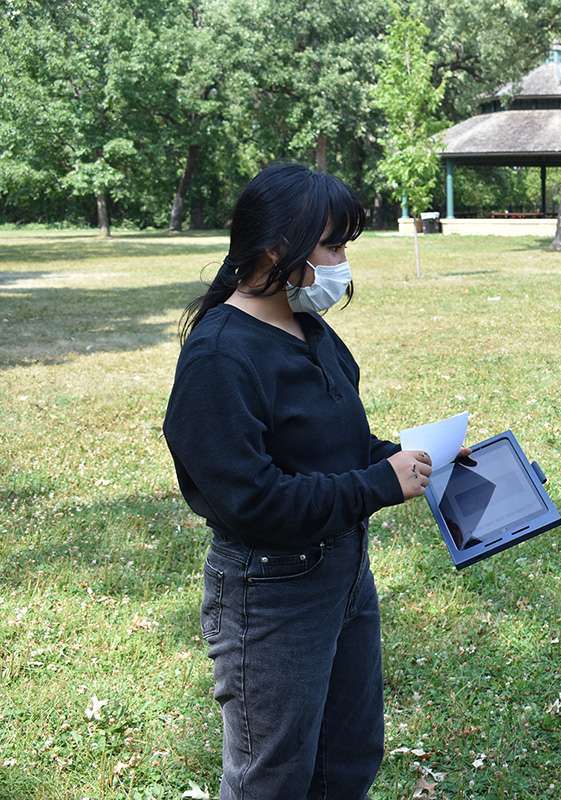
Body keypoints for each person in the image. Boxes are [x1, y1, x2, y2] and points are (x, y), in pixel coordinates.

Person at [163, 162, 467, 800]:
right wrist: (379, 483)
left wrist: (422, 460)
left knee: (348, 758)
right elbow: (253, 500)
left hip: (345, 571)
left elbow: (341, 446)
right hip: (270, 591)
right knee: (272, 777)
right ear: (279, 248)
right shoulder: (221, 356)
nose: (342, 261)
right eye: (332, 245)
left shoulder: (309, 327)